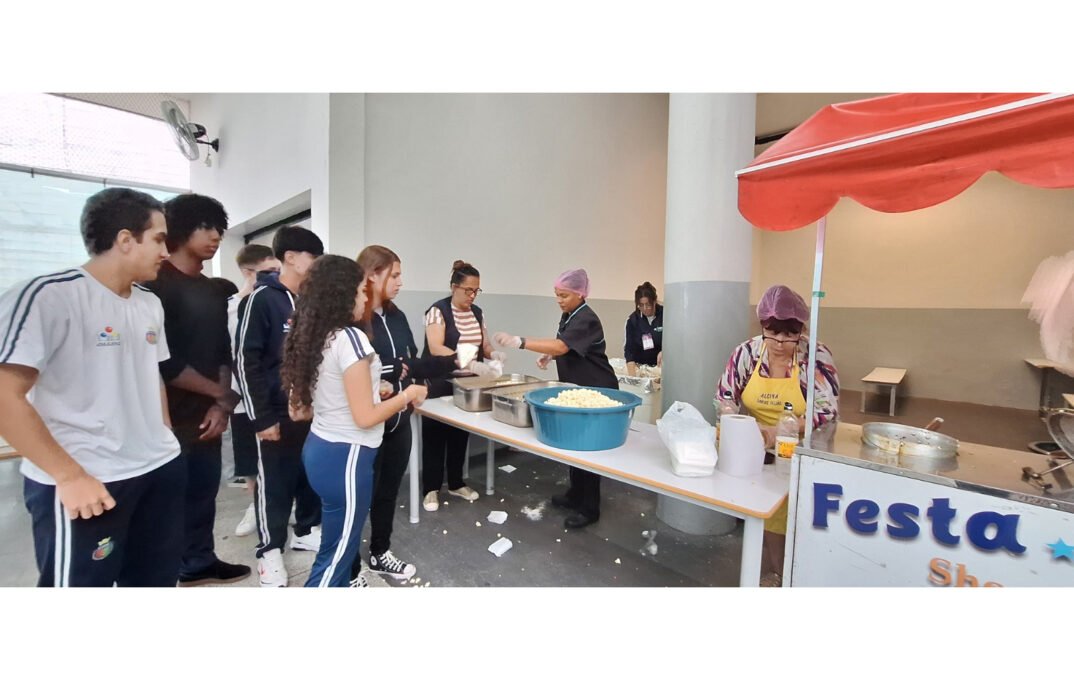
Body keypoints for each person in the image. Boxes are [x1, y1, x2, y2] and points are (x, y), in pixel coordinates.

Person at [0, 188, 185, 587]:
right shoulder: (49, 296)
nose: (166, 251)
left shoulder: (149, 303)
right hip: (89, 481)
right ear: (124, 239)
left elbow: (150, 374)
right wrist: (69, 476)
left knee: (155, 584)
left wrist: (165, 438)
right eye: (158, 238)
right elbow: (4, 395)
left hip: (157, 469)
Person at [281, 255, 428, 588]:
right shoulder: (350, 338)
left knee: (335, 549)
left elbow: (301, 410)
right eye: (361, 291)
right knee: (335, 561)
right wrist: (408, 395)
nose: (365, 299)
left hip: (320, 449)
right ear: (341, 294)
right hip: (347, 457)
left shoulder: (316, 336)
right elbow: (364, 418)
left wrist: (375, 388)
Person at [353, 246, 483, 583]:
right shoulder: (353, 318)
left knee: (387, 490)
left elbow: (411, 362)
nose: (400, 282)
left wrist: (459, 362)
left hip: (399, 417)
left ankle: (381, 551)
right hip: (365, 422)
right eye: (394, 275)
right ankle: (349, 565)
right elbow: (354, 372)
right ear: (372, 274)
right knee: (358, 494)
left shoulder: (395, 317)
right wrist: (382, 382)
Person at [143, 193, 251, 587]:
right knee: (166, 504)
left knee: (203, 497)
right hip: (167, 417)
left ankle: (200, 561)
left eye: (219, 228)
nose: (216, 236)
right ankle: (166, 571)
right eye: (206, 227)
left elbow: (222, 352)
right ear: (181, 228)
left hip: (208, 415)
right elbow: (164, 362)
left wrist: (221, 405)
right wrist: (219, 397)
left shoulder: (210, 289)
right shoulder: (155, 286)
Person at [717, 284, 840, 585]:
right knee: (768, 514)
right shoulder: (747, 353)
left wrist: (781, 429)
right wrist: (736, 424)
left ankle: (798, 575)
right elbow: (724, 396)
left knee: (798, 515)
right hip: (757, 449)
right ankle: (777, 572)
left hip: (803, 450)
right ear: (762, 327)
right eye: (772, 333)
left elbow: (826, 409)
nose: (780, 343)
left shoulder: (816, 356)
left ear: (801, 329)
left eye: (789, 335)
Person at [493, 268, 617, 530]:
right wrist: (550, 357)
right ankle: (575, 493)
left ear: (580, 294)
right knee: (573, 443)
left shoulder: (587, 318)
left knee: (587, 448)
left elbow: (561, 345)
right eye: (556, 295)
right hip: (578, 387)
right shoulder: (569, 315)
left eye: (564, 295)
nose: (559, 300)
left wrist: (520, 342)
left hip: (596, 387)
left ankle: (589, 506)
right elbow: (565, 345)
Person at [235, 226, 324, 587]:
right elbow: (246, 360)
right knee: (274, 482)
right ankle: (269, 551)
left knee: (308, 476)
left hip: (310, 413)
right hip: (273, 413)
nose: (316, 264)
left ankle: (305, 529)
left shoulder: (308, 301)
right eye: (312, 257)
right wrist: (261, 418)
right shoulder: (262, 299)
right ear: (291, 257)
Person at [420, 260, 502, 512]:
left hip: (466, 385)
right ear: (454, 287)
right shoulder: (438, 311)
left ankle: (456, 483)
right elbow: (436, 348)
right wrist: (468, 362)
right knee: (434, 435)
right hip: (439, 381)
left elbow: (483, 345)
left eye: (476, 290)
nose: (472, 295)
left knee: (459, 433)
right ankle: (431, 489)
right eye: (468, 290)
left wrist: (494, 354)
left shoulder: (477, 312)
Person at [227, 244, 281, 536]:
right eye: (268, 272)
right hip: (241, 400)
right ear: (248, 272)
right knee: (249, 462)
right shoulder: (231, 309)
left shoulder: (279, 302)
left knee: (277, 460)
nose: (275, 277)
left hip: (273, 398)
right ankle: (255, 507)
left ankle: (284, 508)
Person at [624, 281, 663, 375]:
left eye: (648, 304)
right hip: (641, 366)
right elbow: (629, 349)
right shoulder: (633, 320)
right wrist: (633, 376)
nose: (645, 308)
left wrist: (664, 351)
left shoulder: (665, 315)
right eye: (641, 305)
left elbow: (675, 340)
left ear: (654, 301)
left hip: (661, 367)